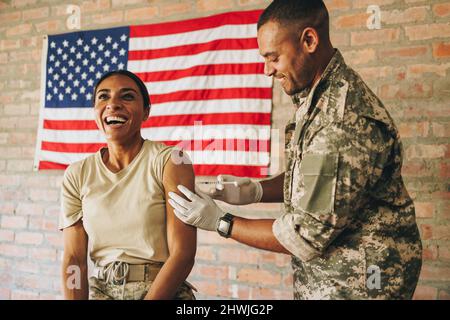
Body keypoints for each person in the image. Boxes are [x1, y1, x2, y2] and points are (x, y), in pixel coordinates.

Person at [168, 0, 422, 300]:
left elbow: (303, 236)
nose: (267, 70)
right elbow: (315, 177)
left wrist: (220, 221)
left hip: (361, 285)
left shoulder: (341, 121)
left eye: (273, 57)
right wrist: (256, 191)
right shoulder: (318, 96)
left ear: (309, 40)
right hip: (330, 278)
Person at [60, 70, 197, 300]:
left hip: (161, 291)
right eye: (103, 97)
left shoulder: (171, 160)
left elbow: (183, 254)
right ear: (95, 112)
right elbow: (74, 259)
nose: (113, 104)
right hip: (102, 291)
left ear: (146, 112)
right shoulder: (77, 174)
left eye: (127, 96)